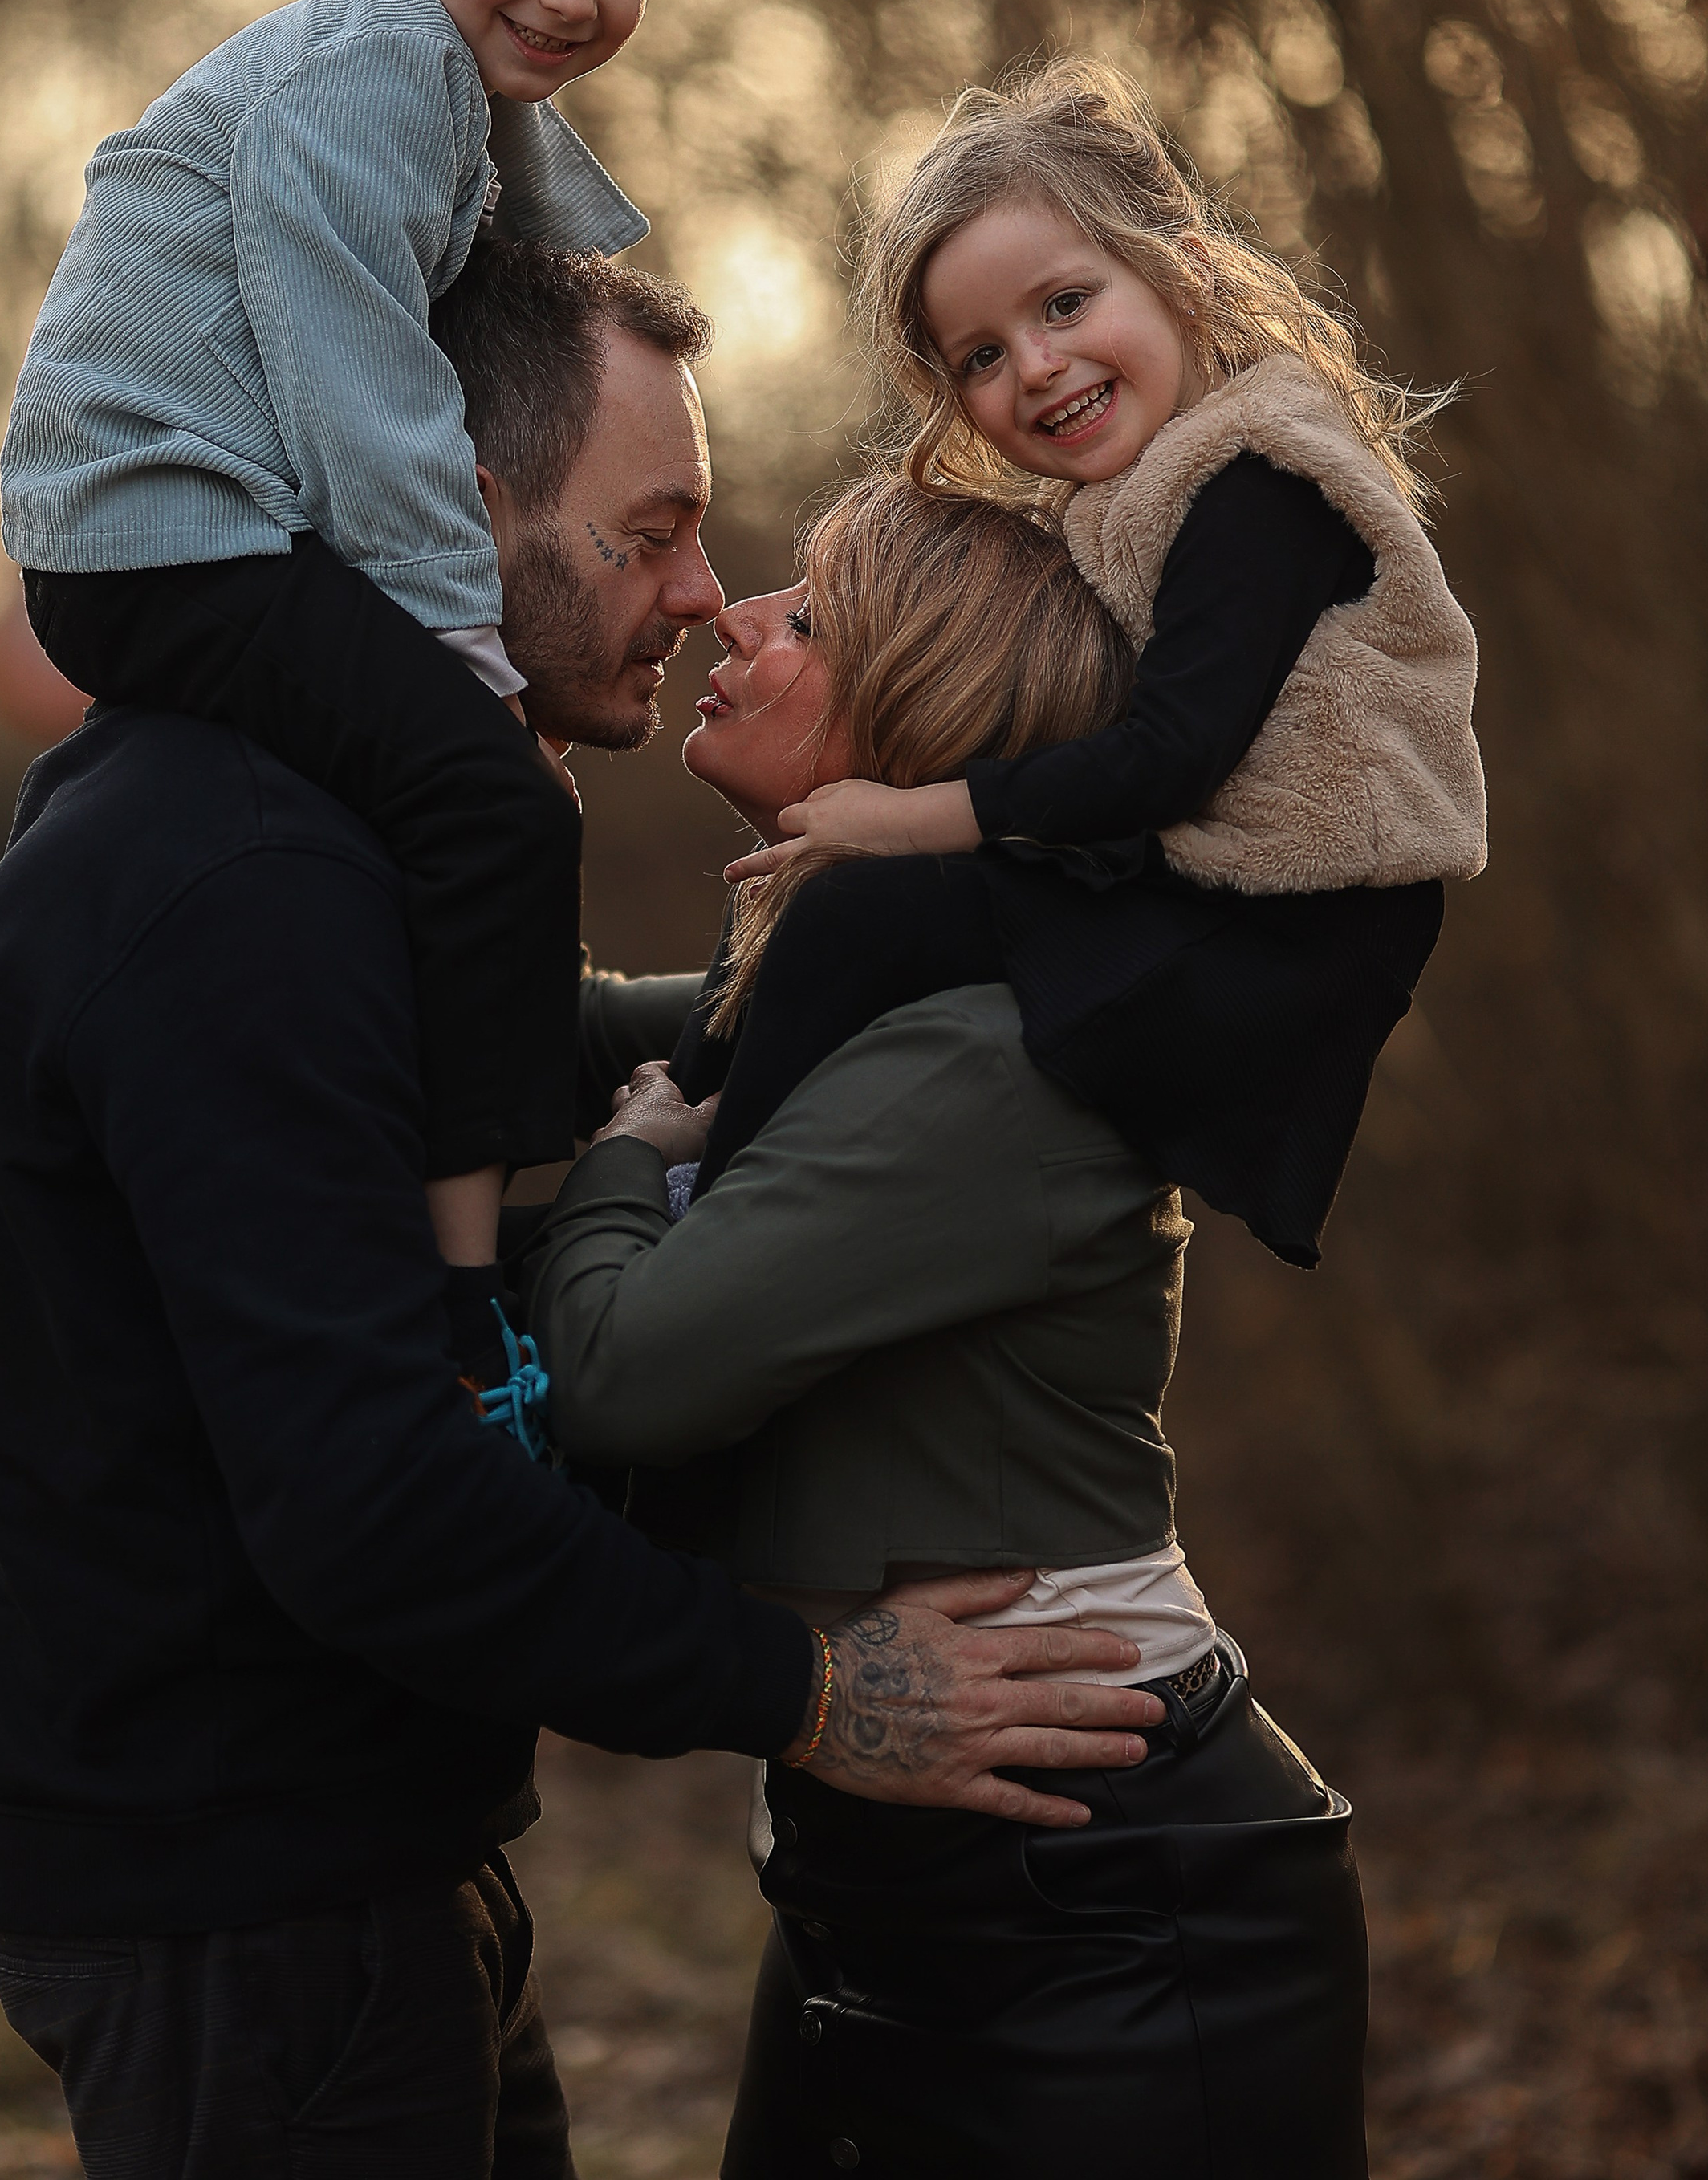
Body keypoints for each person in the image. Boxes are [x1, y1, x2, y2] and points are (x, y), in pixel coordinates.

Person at [0, 243, 1167, 2180]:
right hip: (247, 1919)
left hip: (352, 1862)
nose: (698, 588)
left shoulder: (300, 834)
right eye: (652, 530)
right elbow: (373, 1504)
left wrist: (1038, 965)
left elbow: (574, 1045)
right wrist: (818, 1694)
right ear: (453, 506)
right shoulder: (237, 893)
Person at [518, 478, 1374, 2179]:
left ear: (928, 711)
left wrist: (622, 1166)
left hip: (1106, 1906)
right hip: (892, 1872)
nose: (733, 616)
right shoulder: (818, 993)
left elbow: (620, 1378)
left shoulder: (984, 1056)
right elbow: (512, 1031)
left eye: (813, 617)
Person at [0, 0, 730, 1284]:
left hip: (187, 533)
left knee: (432, 801)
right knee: (493, 813)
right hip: (160, 534)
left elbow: (518, 266)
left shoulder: (436, 79)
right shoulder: (367, 82)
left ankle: (486, 1151)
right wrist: (473, 671)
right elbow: (376, 409)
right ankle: (466, 1280)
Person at [695, 56, 1488, 1265]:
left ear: (1184, 266)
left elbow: (1167, 758)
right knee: (825, 906)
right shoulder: (1148, 497)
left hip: (1281, 933)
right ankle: (701, 1118)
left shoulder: (1260, 482)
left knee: (861, 906)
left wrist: (913, 814)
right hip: (1207, 885)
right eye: (981, 357)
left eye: (1065, 305)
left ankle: (705, 1221)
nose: (1037, 367)